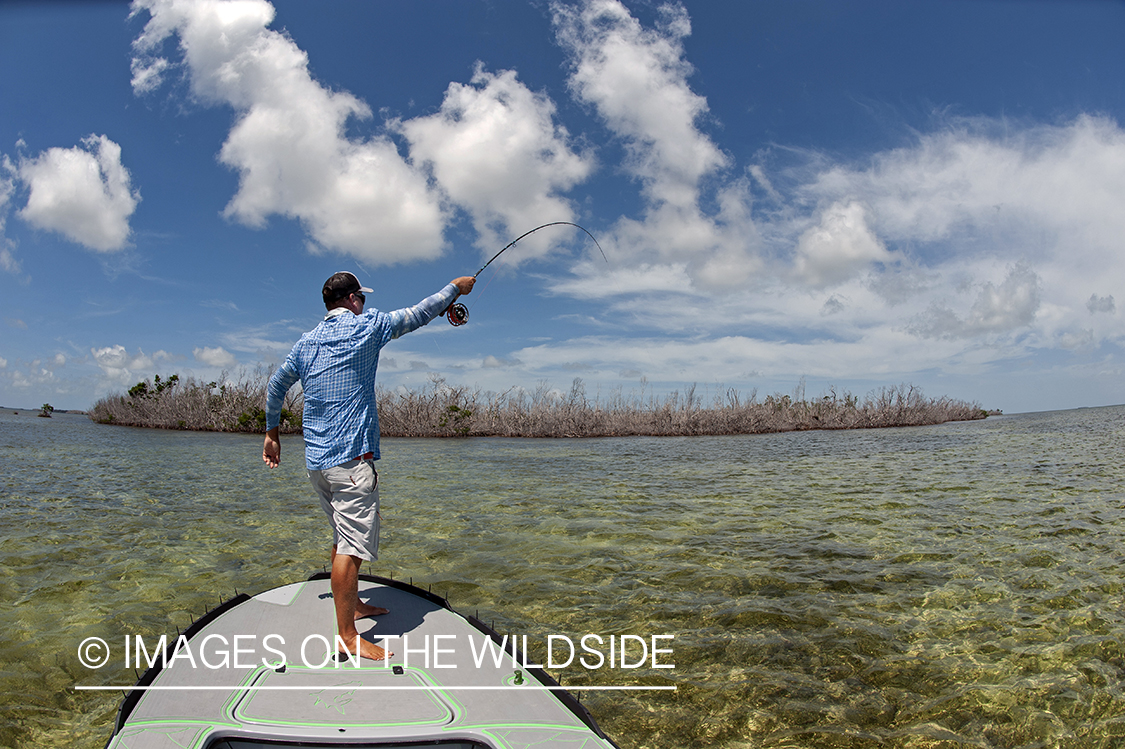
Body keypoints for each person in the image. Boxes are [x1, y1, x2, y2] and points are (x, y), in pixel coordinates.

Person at [263, 270, 475, 661]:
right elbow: (420, 313)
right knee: (351, 547)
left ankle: (354, 604)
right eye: (361, 296)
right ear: (353, 299)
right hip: (351, 463)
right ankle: (346, 635)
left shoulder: (305, 344)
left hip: (317, 465)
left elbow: (276, 386)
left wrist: (272, 433)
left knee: (341, 537)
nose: (363, 302)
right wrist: (455, 289)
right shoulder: (368, 327)